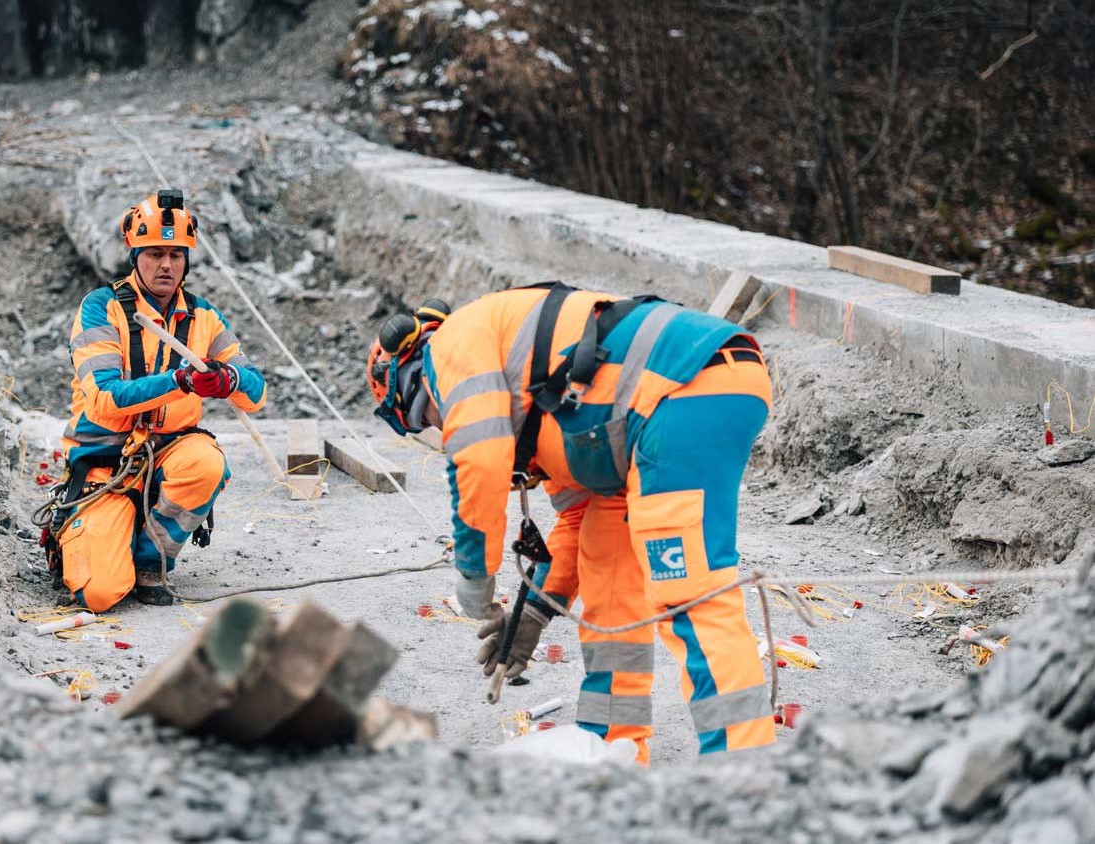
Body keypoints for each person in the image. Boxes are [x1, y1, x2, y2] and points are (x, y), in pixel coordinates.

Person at [366, 283, 775, 762]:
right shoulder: (533, 393)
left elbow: (478, 459)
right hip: (673, 401)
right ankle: (612, 742)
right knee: (609, 574)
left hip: (683, 392)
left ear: (411, 382)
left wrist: (474, 578)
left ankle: (745, 773)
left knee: (692, 596)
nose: (441, 427)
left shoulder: (451, 346)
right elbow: (575, 520)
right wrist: (532, 614)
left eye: (426, 420)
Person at [52, 189, 266, 608]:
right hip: (106, 465)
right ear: (134, 254)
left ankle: (152, 560)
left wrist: (228, 379)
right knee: (99, 593)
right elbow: (104, 399)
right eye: (154, 253)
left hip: (169, 452)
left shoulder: (204, 316)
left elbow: (255, 394)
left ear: (187, 259)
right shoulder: (101, 308)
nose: (166, 265)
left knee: (206, 461)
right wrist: (181, 380)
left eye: (176, 254)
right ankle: (93, 536)